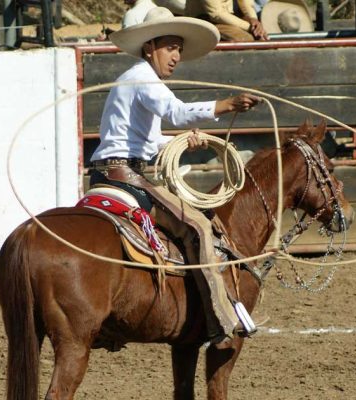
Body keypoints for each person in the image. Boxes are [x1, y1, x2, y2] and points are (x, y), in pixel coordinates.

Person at [91, 7, 262, 344]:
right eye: (170, 47)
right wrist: (227, 105)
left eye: (179, 49)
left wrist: (185, 142)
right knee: (198, 226)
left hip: (107, 174)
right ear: (150, 46)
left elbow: (151, 141)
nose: (176, 56)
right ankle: (218, 318)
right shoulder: (144, 78)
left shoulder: (135, 79)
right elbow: (178, 112)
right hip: (127, 177)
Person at [184, 0, 269, 41]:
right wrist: (250, 27)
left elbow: (245, 2)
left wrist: (254, 21)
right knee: (247, 39)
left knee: (261, 38)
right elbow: (216, 14)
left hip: (228, 18)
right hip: (205, 22)